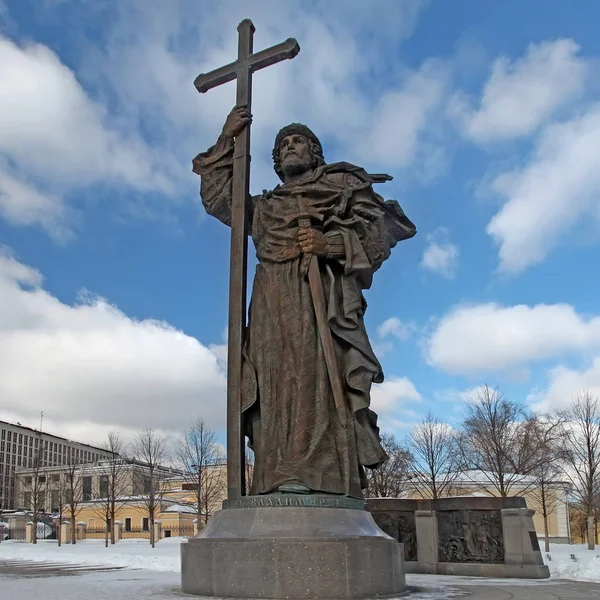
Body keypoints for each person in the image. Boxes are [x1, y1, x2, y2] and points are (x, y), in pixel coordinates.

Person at [193, 105, 416, 499]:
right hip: (269, 301)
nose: (290, 147)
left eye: (299, 141)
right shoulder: (265, 207)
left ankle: (316, 473)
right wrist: (226, 139)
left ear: (315, 152)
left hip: (319, 301)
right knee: (272, 383)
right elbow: (219, 200)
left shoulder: (339, 189)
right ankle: (273, 474)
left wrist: (330, 243)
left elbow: (379, 235)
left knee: (313, 380)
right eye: (283, 145)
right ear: (276, 161)